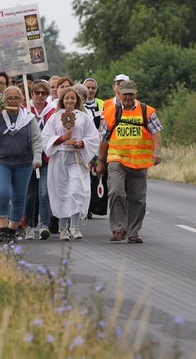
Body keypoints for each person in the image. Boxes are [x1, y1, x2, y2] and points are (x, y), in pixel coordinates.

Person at [95, 80, 163, 243]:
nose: (127, 97)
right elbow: (103, 139)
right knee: (116, 192)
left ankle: (133, 232)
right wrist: (101, 161)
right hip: (117, 159)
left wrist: (157, 151)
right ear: (119, 93)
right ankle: (118, 229)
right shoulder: (111, 112)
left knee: (138, 198)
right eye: (125, 93)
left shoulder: (147, 111)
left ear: (136, 94)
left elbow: (156, 132)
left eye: (130, 94)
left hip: (139, 162)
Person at [42, 87, 100, 241]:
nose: (69, 101)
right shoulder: (55, 118)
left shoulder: (83, 117)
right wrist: (61, 139)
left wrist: (81, 143)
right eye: (66, 98)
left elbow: (94, 137)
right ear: (62, 100)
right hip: (60, 158)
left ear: (77, 100)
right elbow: (45, 137)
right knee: (62, 193)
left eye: (72, 98)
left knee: (76, 191)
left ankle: (74, 227)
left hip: (76, 158)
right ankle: (63, 228)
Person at [0, 86, 42, 243]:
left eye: (16, 98)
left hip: (23, 163)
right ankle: (2, 227)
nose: (13, 101)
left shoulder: (28, 118)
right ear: (4, 100)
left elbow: (36, 139)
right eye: (9, 98)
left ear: (22, 100)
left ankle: (12, 229)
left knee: (19, 197)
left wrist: (37, 158)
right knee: (3, 193)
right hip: (1, 160)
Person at [23, 80, 55, 240]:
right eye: (37, 93)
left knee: (44, 193)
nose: (40, 96)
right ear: (32, 94)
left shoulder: (52, 111)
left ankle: (44, 224)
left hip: (46, 157)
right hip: (29, 158)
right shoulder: (25, 110)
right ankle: (28, 225)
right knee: (29, 195)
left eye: (44, 93)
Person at [82, 77, 107, 218]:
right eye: (88, 87)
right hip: (85, 144)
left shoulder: (101, 104)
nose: (90, 90)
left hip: (98, 144)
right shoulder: (78, 103)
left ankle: (94, 206)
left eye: (93, 88)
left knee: (96, 176)